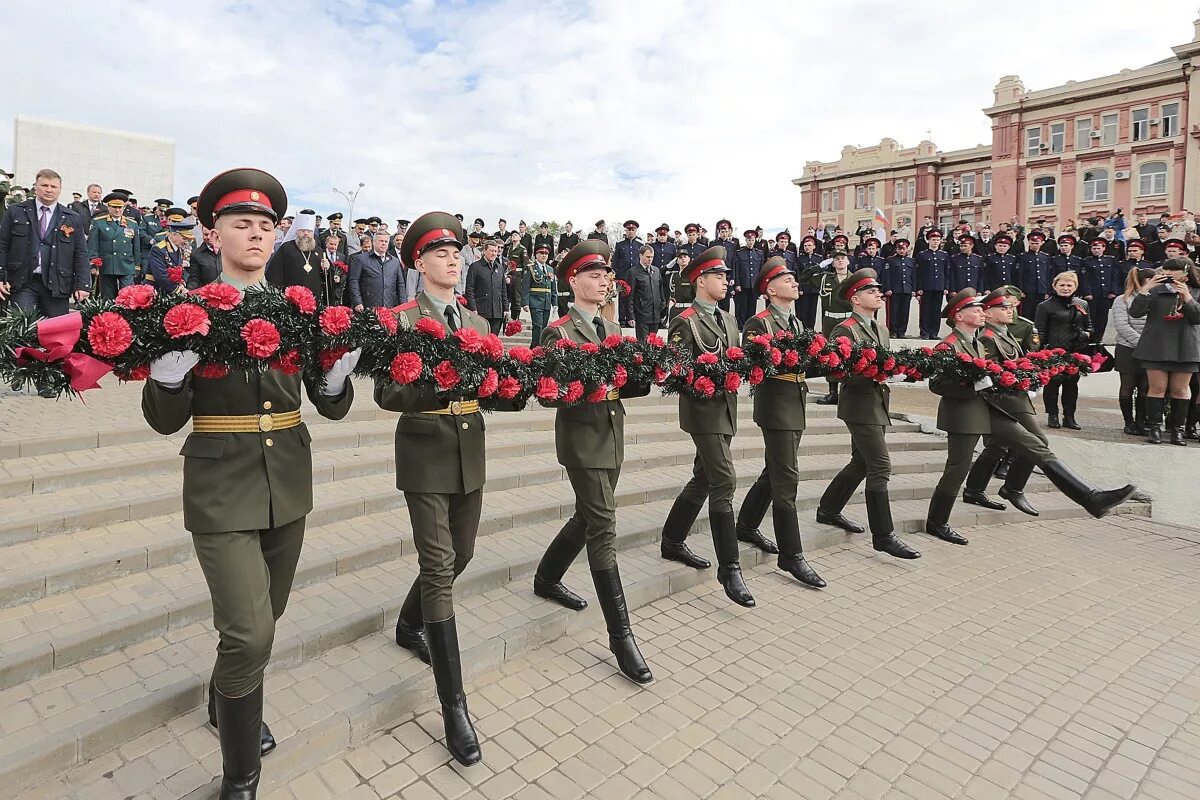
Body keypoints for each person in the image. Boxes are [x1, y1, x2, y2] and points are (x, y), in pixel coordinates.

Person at [143, 168, 358, 799]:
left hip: (287, 480)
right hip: (219, 486)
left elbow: (328, 403)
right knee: (250, 631)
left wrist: (336, 380)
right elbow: (163, 420)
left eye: (268, 226)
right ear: (212, 234)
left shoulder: (300, 310)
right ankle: (241, 778)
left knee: (267, 613)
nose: (258, 234)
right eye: (243, 224)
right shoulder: (187, 312)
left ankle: (223, 695)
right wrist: (170, 377)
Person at [379, 211, 522, 766]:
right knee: (439, 565)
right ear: (419, 261)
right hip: (424, 450)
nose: (452, 259)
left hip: (469, 449)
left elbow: (491, 389)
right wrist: (431, 381)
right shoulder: (400, 321)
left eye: (457, 252)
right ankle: (454, 707)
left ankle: (409, 621)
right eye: (440, 253)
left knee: (460, 554)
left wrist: (513, 385)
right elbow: (387, 395)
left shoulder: (477, 324)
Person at [530, 240, 654, 684]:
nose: (603, 282)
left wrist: (646, 373)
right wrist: (589, 385)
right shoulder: (558, 333)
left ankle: (546, 578)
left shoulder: (613, 331)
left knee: (588, 516)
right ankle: (621, 636)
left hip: (612, 435)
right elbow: (551, 395)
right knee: (603, 523)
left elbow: (627, 384)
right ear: (573, 281)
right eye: (594, 276)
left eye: (606, 276)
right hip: (582, 440)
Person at [933, 288, 1137, 531]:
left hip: (989, 410)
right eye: (975, 309)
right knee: (957, 469)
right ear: (958, 316)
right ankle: (937, 522)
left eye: (981, 308)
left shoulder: (975, 342)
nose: (981, 312)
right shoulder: (948, 346)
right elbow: (937, 384)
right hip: (964, 415)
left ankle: (1090, 497)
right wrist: (974, 384)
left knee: (1036, 445)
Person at [659, 245, 756, 607]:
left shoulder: (729, 320)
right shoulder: (684, 319)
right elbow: (678, 370)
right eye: (719, 276)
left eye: (726, 275)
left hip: (726, 409)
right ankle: (730, 568)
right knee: (724, 480)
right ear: (701, 281)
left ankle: (672, 540)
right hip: (703, 412)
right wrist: (707, 376)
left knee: (703, 477)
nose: (726, 281)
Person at [816, 269, 921, 559]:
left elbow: (884, 364)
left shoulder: (881, 329)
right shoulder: (845, 330)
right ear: (855, 298)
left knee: (861, 462)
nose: (878, 294)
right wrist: (878, 373)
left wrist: (898, 373)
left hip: (878, 402)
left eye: (878, 290)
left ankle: (828, 509)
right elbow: (839, 372)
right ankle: (884, 536)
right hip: (859, 404)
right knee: (880, 466)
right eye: (871, 291)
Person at [734, 257, 825, 588]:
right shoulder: (760, 324)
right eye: (787, 280)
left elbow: (807, 363)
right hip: (776, 407)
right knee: (787, 478)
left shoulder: (799, 324)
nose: (795, 283)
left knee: (775, 471)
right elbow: (757, 366)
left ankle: (746, 524)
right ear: (770, 289)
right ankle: (792, 555)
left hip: (795, 403)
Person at [0, 168, 90, 325]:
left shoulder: (72, 218)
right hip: (22, 282)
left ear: (60, 190)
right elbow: (2, 245)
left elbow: (80, 253)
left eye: (53, 186)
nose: (49, 190)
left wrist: (83, 284)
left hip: (57, 283)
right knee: (22, 329)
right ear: (36, 187)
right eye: (44, 185)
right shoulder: (16, 211)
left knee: (56, 334)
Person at [1130, 258, 1200, 445]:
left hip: (1185, 346)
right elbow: (1135, 312)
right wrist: (1145, 290)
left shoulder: (1195, 291)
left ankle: (1177, 430)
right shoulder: (1155, 290)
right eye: (1166, 269)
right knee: (1157, 388)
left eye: (1173, 270)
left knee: (1180, 390)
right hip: (1157, 345)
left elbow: (1197, 318)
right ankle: (1154, 428)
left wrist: (1188, 297)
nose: (1168, 273)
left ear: (1185, 273)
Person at [1036, 271, 1091, 429]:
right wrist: (1040, 351)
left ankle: (1069, 416)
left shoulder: (1082, 304)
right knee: (1053, 384)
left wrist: (1086, 334)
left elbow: (1089, 325)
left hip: (1074, 350)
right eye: (1062, 285)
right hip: (1053, 350)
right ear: (1054, 286)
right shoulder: (1045, 306)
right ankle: (1052, 415)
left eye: (1069, 285)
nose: (1066, 288)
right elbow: (1039, 330)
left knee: (1072, 386)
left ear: (1075, 287)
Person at [1111, 266, 1155, 436]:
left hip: (1151, 349)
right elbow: (1122, 326)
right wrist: (1140, 342)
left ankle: (1141, 421)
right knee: (1127, 386)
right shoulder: (1122, 300)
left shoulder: (1155, 300)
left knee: (1146, 386)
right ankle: (1128, 422)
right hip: (1127, 348)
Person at [810, 249, 854, 404]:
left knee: (849, 355)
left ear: (848, 261)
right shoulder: (825, 278)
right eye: (836, 259)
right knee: (830, 355)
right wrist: (820, 266)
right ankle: (833, 392)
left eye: (843, 258)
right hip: (830, 320)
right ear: (832, 262)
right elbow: (804, 278)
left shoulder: (854, 279)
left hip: (848, 320)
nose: (840, 261)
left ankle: (849, 391)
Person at [87, 191, 141, 299]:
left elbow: (136, 246)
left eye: (120, 207)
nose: (117, 210)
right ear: (108, 207)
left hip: (126, 264)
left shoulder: (132, 224)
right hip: (107, 264)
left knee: (127, 296)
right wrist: (93, 263)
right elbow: (93, 245)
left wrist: (137, 265)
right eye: (114, 207)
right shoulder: (98, 222)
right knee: (108, 297)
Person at [348, 231, 404, 310]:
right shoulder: (361, 259)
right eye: (381, 241)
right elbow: (354, 281)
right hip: (368, 306)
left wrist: (403, 304)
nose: (383, 243)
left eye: (386, 241)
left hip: (390, 306)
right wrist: (357, 302)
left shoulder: (394, 261)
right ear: (373, 242)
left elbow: (400, 284)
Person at [1081, 237, 1120, 344]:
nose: (1095, 250)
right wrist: (1087, 292)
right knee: (1092, 317)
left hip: (1105, 293)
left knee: (1103, 317)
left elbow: (1113, 277)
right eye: (1093, 248)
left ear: (1104, 248)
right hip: (1093, 294)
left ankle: (1100, 337)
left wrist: (1113, 291)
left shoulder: (1110, 260)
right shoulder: (1087, 261)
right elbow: (1085, 279)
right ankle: (1091, 338)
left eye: (1098, 248)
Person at [465, 239, 508, 334]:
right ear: (484, 251)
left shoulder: (500, 268)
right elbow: (469, 289)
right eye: (491, 251)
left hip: (497, 312)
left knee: (493, 342)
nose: (494, 253)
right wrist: (473, 308)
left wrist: (506, 309)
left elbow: (503, 291)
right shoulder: (475, 267)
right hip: (481, 311)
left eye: (495, 251)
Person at [914, 229, 949, 338]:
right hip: (926, 286)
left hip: (939, 286)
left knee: (936, 311)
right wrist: (918, 287)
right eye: (933, 240)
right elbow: (918, 272)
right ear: (928, 240)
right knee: (925, 310)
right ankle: (924, 332)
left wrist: (946, 286)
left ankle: (934, 333)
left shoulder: (944, 255)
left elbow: (946, 272)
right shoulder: (922, 255)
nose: (935, 242)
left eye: (938, 240)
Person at [145, 216, 193, 294]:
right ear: (174, 234)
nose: (186, 242)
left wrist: (182, 284)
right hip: (157, 290)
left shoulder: (179, 248)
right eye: (184, 239)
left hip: (171, 290)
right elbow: (161, 276)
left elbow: (181, 270)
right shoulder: (158, 249)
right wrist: (178, 290)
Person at [628, 244, 665, 341]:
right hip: (642, 314)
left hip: (655, 315)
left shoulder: (656, 271)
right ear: (640, 255)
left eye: (652, 257)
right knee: (643, 344)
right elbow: (629, 296)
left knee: (654, 343)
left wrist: (662, 307)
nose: (650, 259)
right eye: (648, 257)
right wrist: (630, 316)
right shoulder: (633, 272)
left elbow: (661, 291)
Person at [881, 237, 914, 338]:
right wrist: (887, 288)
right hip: (894, 290)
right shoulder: (890, 260)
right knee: (893, 311)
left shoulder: (911, 261)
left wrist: (913, 289)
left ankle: (902, 331)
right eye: (899, 249)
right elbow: (886, 276)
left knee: (904, 312)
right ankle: (893, 331)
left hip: (907, 289)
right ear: (896, 249)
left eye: (904, 248)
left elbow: (913, 276)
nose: (902, 251)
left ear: (907, 249)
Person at [524, 244, 556, 344]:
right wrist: (525, 303)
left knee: (544, 327)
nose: (544, 255)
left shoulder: (550, 269)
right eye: (541, 253)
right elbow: (525, 286)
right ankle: (537, 350)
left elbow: (553, 287)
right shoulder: (530, 268)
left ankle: (537, 348)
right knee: (538, 326)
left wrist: (555, 303)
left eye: (546, 253)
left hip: (546, 303)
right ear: (536, 254)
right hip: (535, 301)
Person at [1017, 231, 1053, 319]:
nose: (1034, 245)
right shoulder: (1022, 257)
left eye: (1037, 243)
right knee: (1027, 313)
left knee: (1041, 313)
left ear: (1042, 243)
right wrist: (1020, 290)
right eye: (1032, 243)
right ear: (1029, 242)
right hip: (1028, 290)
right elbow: (1019, 275)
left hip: (1042, 289)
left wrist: (1048, 291)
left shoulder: (1046, 257)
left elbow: (1048, 275)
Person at [733, 229, 764, 327]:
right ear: (745, 240)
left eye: (752, 240)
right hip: (743, 284)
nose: (750, 242)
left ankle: (751, 326)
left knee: (752, 307)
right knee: (742, 307)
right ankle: (742, 326)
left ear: (755, 240)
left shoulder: (759, 253)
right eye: (748, 240)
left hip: (754, 285)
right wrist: (737, 284)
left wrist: (760, 285)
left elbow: (761, 270)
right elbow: (736, 269)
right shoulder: (739, 253)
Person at [793, 233, 821, 329]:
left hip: (814, 289)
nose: (807, 247)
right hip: (803, 289)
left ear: (814, 246)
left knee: (812, 312)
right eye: (805, 245)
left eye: (809, 245)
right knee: (802, 312)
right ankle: (802, 332)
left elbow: (821, 274)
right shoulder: (799, 258)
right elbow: (798, 274)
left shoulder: (819, 258)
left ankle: (811, 331)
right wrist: (799, 288)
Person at [503, 230, 529, 322]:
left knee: (516, 296)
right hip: (509, 274)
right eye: (512, 235)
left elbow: (526, 264)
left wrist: (523, 278)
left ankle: (515, 318)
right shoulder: (509, 248)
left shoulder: (522, 249)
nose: (513, 236)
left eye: (515, 235)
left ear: (520, 237)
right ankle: (507, 317)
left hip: (518, 275)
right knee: (507, 294)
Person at [187, 226, 223, 290]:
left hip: (232, 295)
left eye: (212, 234)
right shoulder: (196, 254)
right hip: (209, 295)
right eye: (206, 234)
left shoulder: (229, 250)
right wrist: (189, 290)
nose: (209, 237)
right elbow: (195, 279)